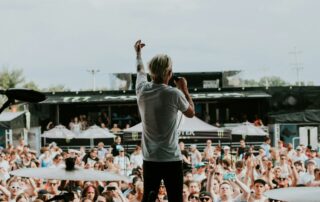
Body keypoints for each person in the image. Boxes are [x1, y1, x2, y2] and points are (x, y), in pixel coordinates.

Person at [134, 40, 195, 202]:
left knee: (148, 198)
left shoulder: (141, 89)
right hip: (171, 159)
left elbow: (140, 70)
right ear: (169, 72)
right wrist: (185, 89)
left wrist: (138, 54)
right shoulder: (174, 94)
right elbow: (191, 113)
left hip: (150, 157)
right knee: (176, 199)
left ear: (152, 72)